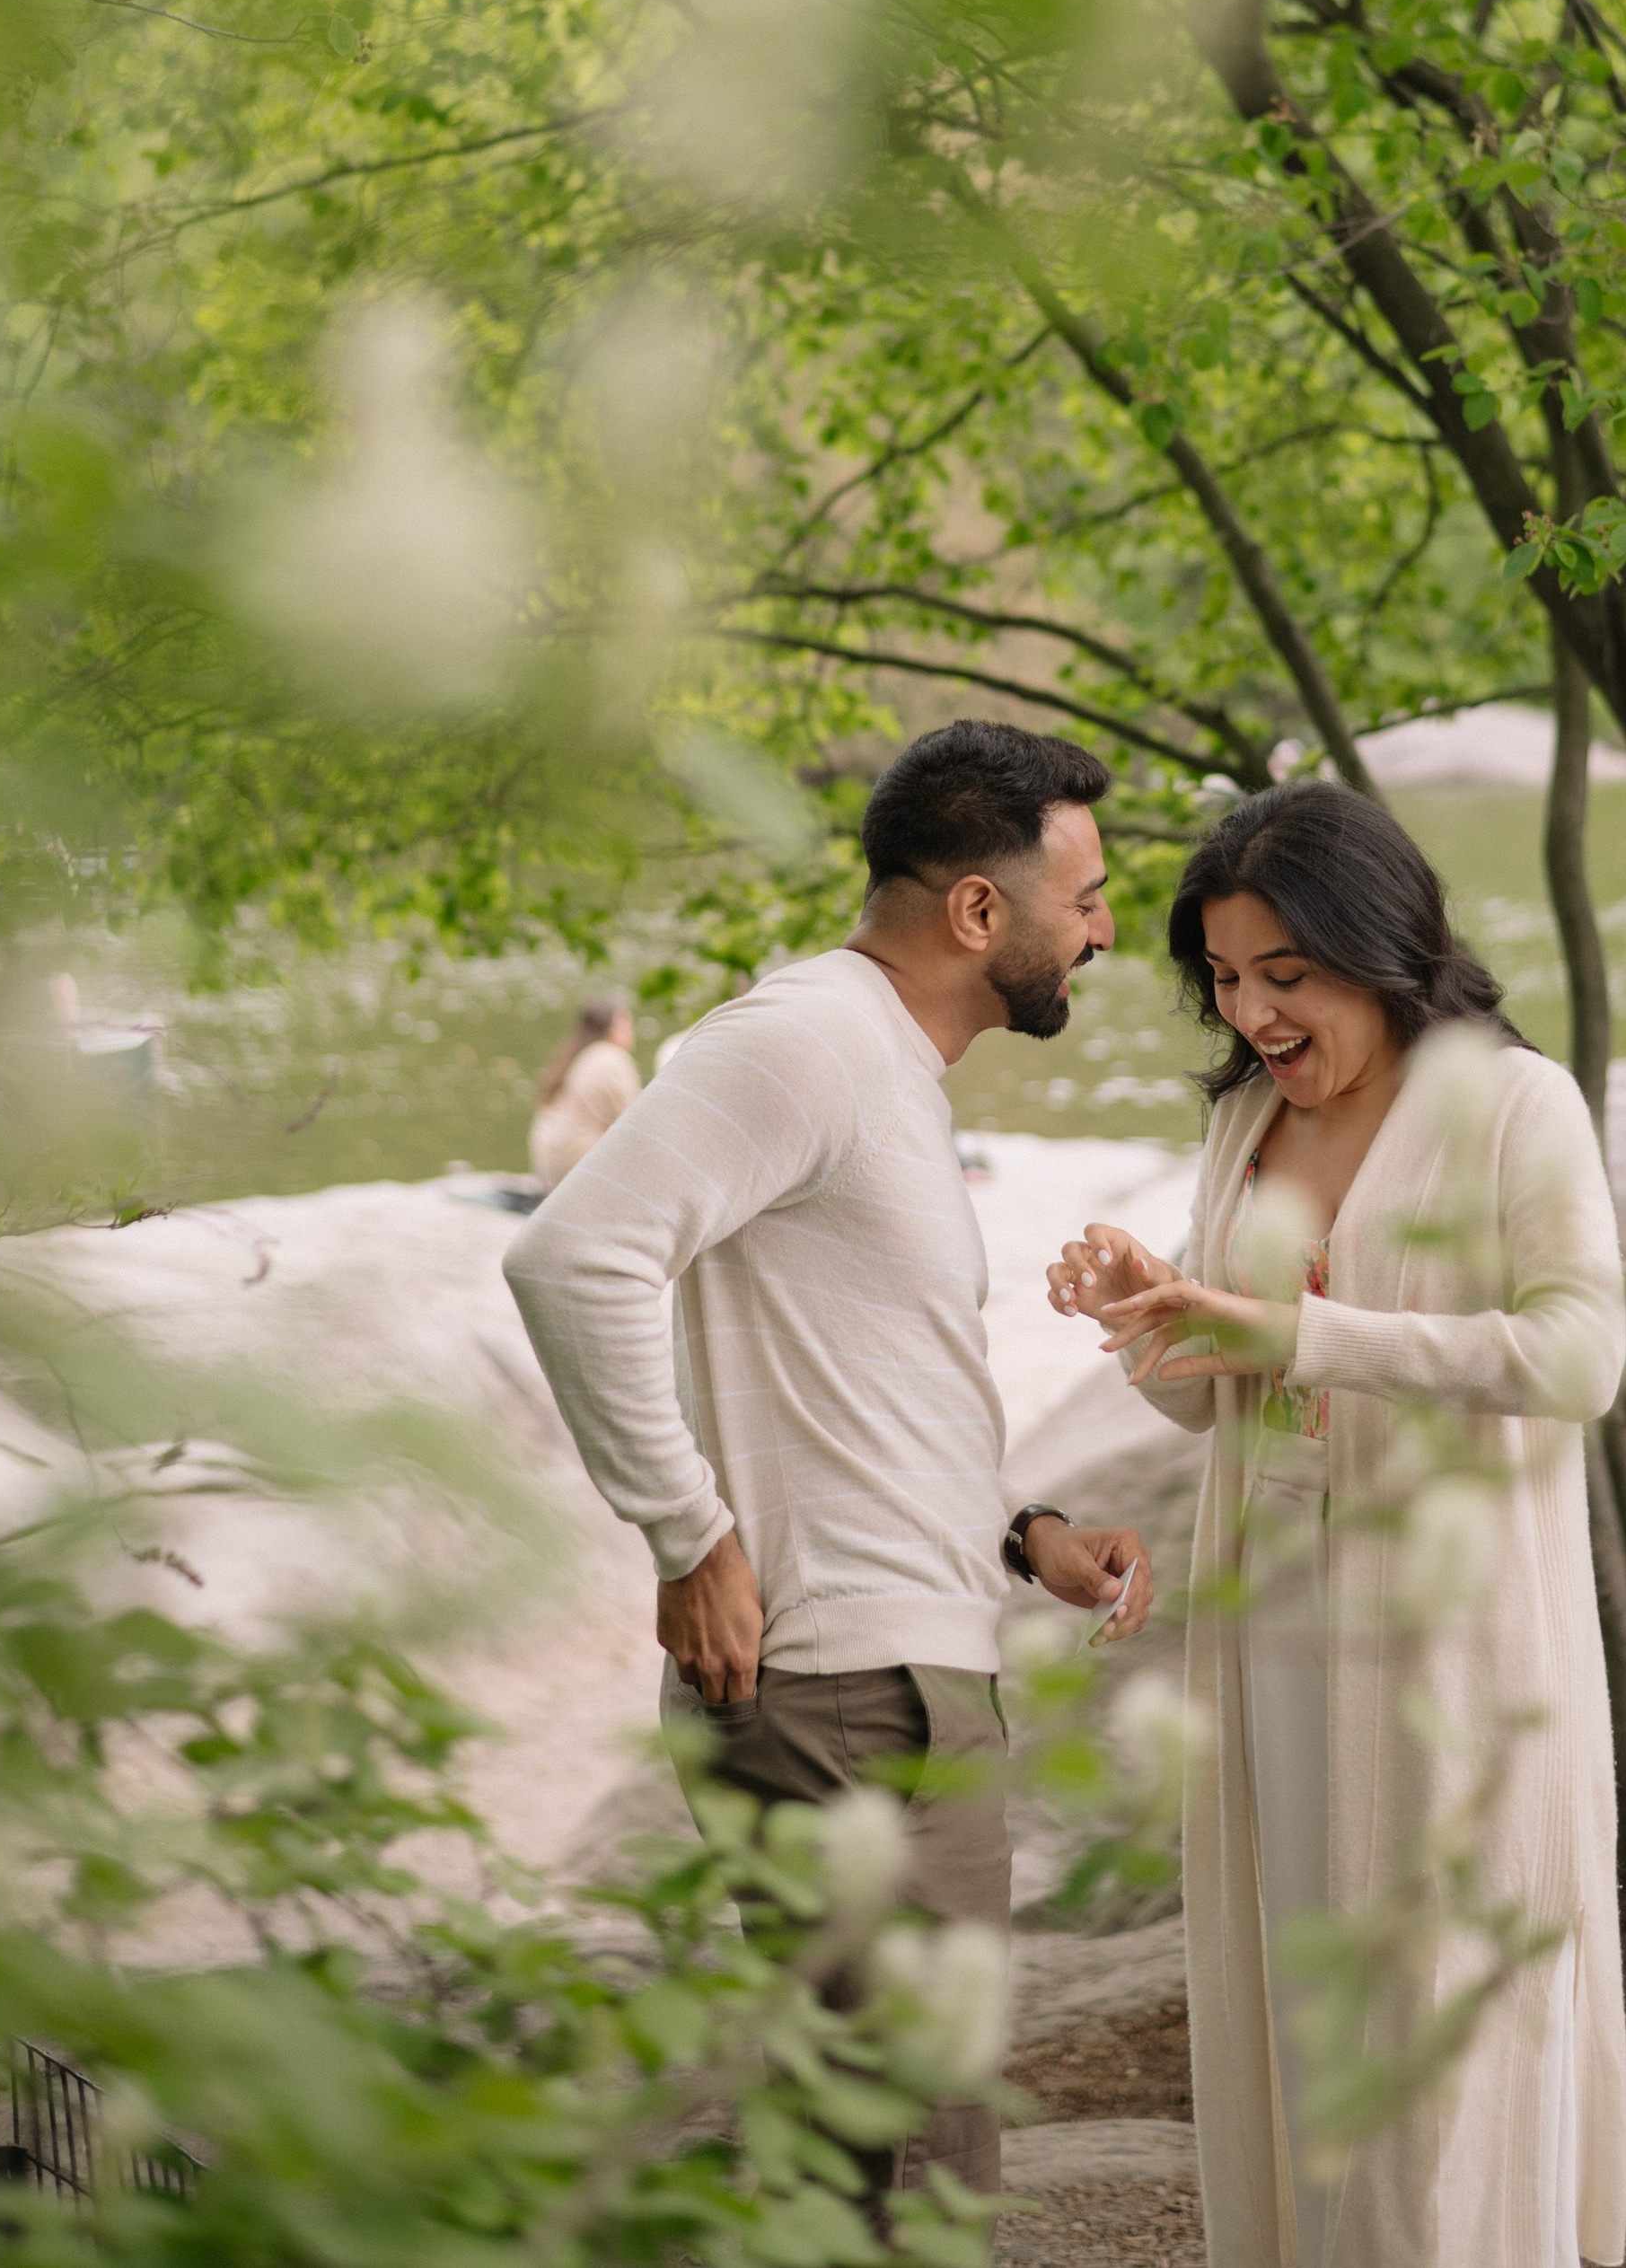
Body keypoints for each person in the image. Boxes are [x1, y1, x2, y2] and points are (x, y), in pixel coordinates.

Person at [503, 720, 1154, 2204]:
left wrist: (1023, 1533)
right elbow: (574, 1257)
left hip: (890, 1677)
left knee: (892, 2163)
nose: (1106, 928)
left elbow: (863, 1388)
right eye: (1087, 896)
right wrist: (687, 1532)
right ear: (978, 910)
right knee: (906, 2180)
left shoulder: (882, 1064)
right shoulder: (805, 1039)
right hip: (850, 1698)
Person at [1045, 782, 1626, 2268]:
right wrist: (1143, 1311)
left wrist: (1310, 1333)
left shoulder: (1514, 1106)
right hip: (1277, 1627)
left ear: (1380, 947)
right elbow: (1219, 1402)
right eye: (1226, 978)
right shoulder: (1244, 1119)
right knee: (1302, 1998)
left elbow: (1581, 1358)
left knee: (1440, 2008)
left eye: (1285, 974)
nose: (1253, 1015)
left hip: (1453, 1638)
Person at [528, 998, 640, 1190]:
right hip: (579, 1166)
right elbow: (635, 1121)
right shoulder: (612, 1058)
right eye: (626, 1022)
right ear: (613, 1027)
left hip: (549, 1164)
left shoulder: (575, 1053)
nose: (631, 1030)